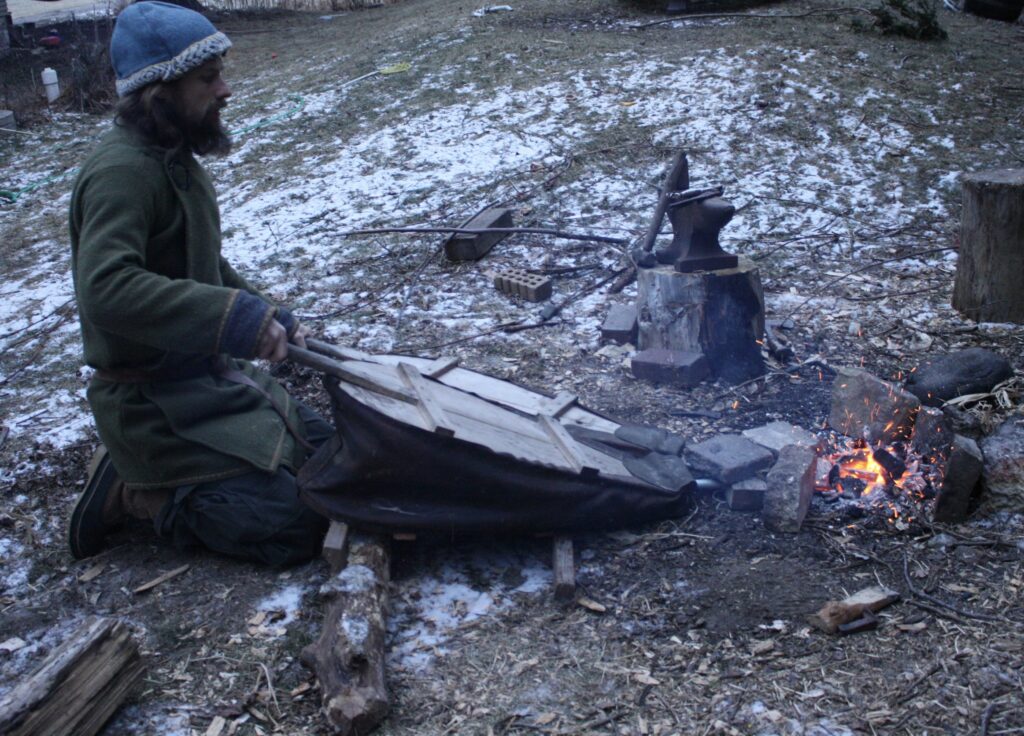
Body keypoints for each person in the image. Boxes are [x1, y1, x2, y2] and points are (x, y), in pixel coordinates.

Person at [68, 0, 331, 566]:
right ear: (159, 92)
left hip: (206, 378)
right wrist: (231, 319)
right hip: (151, 402)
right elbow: (105, 288)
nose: (225, 90)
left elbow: (204, 266)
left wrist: (268, 314)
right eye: (208, 79)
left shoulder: (173, 157)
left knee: (334, 457)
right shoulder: (122, 173)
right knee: (293, 525)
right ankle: (139, 492)